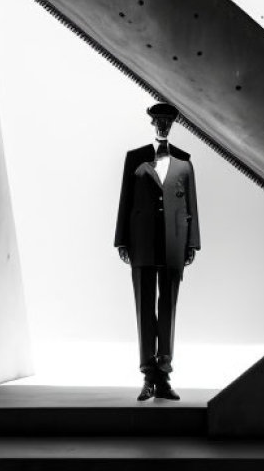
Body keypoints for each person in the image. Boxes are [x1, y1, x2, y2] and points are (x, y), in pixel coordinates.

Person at [114, 102, 200, 401]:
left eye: (168, 120)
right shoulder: (135, 159)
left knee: (169, 308)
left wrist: (192, 243)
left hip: (175, 242)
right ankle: (148, 374)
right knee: (144, 306)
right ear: (152, 123)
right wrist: (121, 239)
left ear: (173, 124)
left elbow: (191, 205)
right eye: (158, 120)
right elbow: (125, 200)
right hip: (141, 241)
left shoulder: (184, 162)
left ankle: (163, 373)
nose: (163, 125)